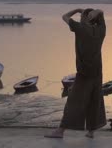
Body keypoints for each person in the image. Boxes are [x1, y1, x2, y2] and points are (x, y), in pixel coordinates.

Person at [46, 8, 107, 139]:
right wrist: (95, 13)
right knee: (94, 101)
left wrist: (77, 10)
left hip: (84, 73)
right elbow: (101, 13)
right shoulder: (101, 30)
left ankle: (60, 131)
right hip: (97, 72)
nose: (80, 19)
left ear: (85, 18)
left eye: (82, 17)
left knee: (73, 102)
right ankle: (91, 132)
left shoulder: (80, 29)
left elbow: (64, 16)